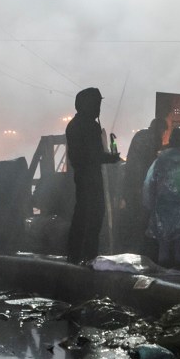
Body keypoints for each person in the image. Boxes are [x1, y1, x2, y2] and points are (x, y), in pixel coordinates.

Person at [65, 87, 120, 264]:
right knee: (93, 215)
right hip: (90, 178)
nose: (98, 107)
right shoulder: (90, 125)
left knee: (82, 215)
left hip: (81, 177)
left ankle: (74, 256)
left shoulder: (73, 124)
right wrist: (112, 159)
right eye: (96, 103)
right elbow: (93, 155)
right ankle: (89, 258)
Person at [142, 126, 180, 270]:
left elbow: (149, 184)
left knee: (163, 246)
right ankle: (179, 280)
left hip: (162, 211)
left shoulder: (159, 161)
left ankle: (162, 281)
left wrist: (149, 206)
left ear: (171, 140)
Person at [119, 117, 167, 256]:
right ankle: (141, 249)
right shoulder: (154, 138)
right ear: (160, 129)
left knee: (132, 215)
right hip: (140, 184)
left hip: (130, 182)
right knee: (142, 217)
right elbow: (151, 163)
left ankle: (129, 247)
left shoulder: (141, 134)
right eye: (164, 131)